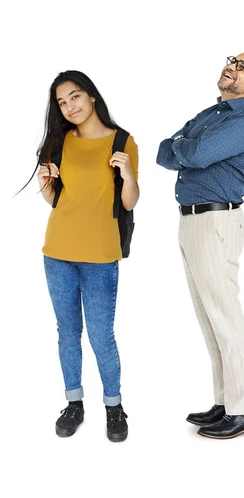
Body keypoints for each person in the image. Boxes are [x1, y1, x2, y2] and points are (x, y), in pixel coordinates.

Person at [156, 45, 244, 439]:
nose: (232, 67)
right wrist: (183, 148)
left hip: (216, 221)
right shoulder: (213, 113)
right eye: (233, 60)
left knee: (225, 316)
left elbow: (198, 152)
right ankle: (225, 402)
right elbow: (165, 150)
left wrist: (184, 148)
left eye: (243, 67)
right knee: (208, 317)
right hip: (191, 221)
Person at [32, 70, 139, 441]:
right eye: (62, 102)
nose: (69, 106)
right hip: (57, 252)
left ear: (92, 96)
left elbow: (129, 202)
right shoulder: (59, 143)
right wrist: (47, 186)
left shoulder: (123, 142)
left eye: (75, 97)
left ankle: (114, 406)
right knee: (67, 334)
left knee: (101, 336)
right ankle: (74, 402)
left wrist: (127, 174)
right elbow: (57, 201)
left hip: (100, 255)